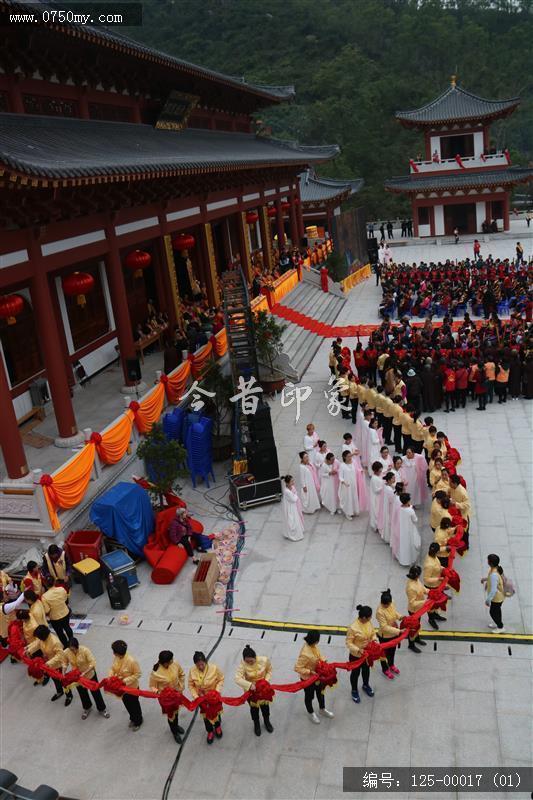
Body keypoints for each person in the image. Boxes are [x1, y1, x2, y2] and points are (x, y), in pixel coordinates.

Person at [63, 638, 110, 719]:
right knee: (82, 694)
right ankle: (87, 708)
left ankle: (102, 709)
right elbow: (64, 662)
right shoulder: (67, 652)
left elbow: (93, 663)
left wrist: (84, 673)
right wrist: (63, 673)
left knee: (96, 693)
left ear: (77, 646)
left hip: (89, 676)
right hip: (77, 677)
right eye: (70, 650)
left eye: (73, 649)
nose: (72, 651)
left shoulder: (85, 650)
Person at [294, 631, 334, 724]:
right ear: (314, 641)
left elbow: (319, 655)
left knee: (321, 693)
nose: (318, 642)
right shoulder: (305, 654)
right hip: (308, 679)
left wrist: (324, 661)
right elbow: (297, 668)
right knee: (309, 697)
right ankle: (311, 713)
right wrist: (309, 672)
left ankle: (322, 709)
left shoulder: (313, 646)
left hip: (317, 676)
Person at [235, 645, 274, 736]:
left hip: (264, 689)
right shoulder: (243, 665)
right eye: (247, 661)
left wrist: (265, 682)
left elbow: (269, 670)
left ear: (255, 657)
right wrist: (249, 685)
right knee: (254, 709)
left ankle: (267, 722)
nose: (249, 663)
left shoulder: (264, 660)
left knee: (265, 707)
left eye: (251, 661)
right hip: (251, 692)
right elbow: (237, 678)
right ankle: (256, 724)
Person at [26, 624, 70, 703]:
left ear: (43, 636)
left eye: (39, 638)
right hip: (49, 664)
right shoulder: (42, 639)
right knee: (55, 680)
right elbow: (37, 644)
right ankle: (59, 692)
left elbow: (60, 655)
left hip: (58, 664)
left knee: (63, 681)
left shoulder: (55, 642)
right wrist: (29, 649)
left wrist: (48, 663)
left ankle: (69, 695)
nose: (39, 639)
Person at [188, 651, 224, 743]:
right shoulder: (192, 671)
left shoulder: (214, 668)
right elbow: (191, 685)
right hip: (202, 698)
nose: (200, 667)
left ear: (205, 661)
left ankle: (218, 727)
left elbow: (221, 679)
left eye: (202, 664)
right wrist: (196, 696)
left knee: (216, 713)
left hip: (213, 697)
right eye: (198, 665)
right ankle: (209, 731)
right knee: (206, 716)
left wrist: (217, 691)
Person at [149, 650, 186, 742]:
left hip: (177, 695)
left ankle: (176, 726)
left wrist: (181, 686)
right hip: (166, 699)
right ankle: (174, 732)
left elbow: (181, 674)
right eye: (171, 660)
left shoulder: (174, 664)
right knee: (171, 716)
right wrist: (159, 693)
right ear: (165, 662)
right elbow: (152, 686)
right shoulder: (156, 672)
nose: (173, 661)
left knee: (176, 712)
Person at [346, 605, 378, 703]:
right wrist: (358, 650)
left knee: (366, 670)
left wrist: (374, 640)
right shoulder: (353, 628)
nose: (370, 619)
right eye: (369, 617)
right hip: (356, 656)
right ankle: (354, 690)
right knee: (355, 673)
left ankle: (365, 685)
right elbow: (348, 642)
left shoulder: (368, 623)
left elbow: (372, 633)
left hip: (367, 653)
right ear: (364, 617)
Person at [109, 640, 143, 731]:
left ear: (118, 653)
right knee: (127, 704)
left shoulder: (132, 661)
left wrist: (124, 681)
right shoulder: (117, 658)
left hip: (131, 688)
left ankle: (138, 721)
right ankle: (132, 718)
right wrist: (111, 676)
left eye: (114, 652)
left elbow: (138, 674)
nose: (113, 654)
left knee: (134, 705)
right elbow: (112, 668)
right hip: (121, 688)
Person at [376, 590, 402, 680]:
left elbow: (394, 612)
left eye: (387, 604)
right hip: (385, 636)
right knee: (384, 654)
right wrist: (398, 631)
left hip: (394, 633)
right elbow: (384, 627)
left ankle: (391, 664)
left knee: (392, 651)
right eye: (385, 605)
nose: (386, 606)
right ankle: (385, 669)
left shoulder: (391, 603)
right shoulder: (380, 612)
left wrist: (400, 617)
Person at [422, 543, 447, 630]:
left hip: (437, 585)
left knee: (436, 603)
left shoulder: (433, 557)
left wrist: (443, 568)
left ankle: (435, 615)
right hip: (431, 586)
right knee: (431, 605)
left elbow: (438, 565)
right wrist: (438, 579)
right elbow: (426, 579)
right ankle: (431, 619)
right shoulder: (429, 564)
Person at [41, 579, 72, 647]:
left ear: (45, 584)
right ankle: (72, 641)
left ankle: (66, 645)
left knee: (60, 632)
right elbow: (65, 599)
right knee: (67, 627)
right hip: (65, 612)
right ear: (54, 582)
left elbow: (46, 610)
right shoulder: (61, 589)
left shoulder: (44, 596)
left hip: (55, 618)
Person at [405, 566, 428, 653]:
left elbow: (422, 588)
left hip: (419, 609)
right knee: (413, 628)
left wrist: (429, 592)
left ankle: (417, 638)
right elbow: (412, 603)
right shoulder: (411, 588)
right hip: (414, 611)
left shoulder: (416, 580)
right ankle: (411, 644)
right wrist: (424, 602)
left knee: (417, 625)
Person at [481, 554, 505, 633]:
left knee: (493, 612)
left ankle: (500, 627)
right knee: (497, 611)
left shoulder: (494, 574)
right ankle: (498, 623)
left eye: (488, 560)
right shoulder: (495, 569)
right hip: (499, 596)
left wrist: (488, 600)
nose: (487, 561)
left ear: (490, 563)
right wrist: (485, 579)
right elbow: (492, 578)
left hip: (496, 597)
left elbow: (494, 590)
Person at [396, 493, 421, 566]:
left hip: (402, 528)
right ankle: (410, 559)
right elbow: (415, 520)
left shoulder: (400, 508)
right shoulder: (410, 511)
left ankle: (403, 559)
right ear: (408, 501)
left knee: (403, 543)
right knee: (410, 543)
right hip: (409, 529)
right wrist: (411, 508)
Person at [281, 475, 305, 541]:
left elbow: (294, 494)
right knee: (292, 519)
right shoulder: (287, 491)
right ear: (287, 483)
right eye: (291, 481)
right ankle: (294, 535)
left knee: (296, 518)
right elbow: (294, 499)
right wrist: (296, 494)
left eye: (293, 480)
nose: (293, 482)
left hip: (292, 505)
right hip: (290, 507)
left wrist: (295, 494)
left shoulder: (291, 487)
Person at [338, 451, 360, 520]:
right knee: (348, 499)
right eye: (348, 456)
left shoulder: (353, 463)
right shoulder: (342, 465)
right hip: (346, 486)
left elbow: (357, 471)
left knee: (353, 497)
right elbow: (340, 476)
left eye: (350, 456)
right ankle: (347, 513)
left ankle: (353, 510)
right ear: (344, 457)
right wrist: (344, 482)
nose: (350, 457)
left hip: (353, 484)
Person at [369, 461, 384, 533]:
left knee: (378, 511)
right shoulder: (374, 478)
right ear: (376, 470)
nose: (381, 472)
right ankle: (376, 525)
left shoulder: (378, 476)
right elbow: (376, 490)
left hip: (379, 497)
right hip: (376, 498)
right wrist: (383, 487)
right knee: (376, 511)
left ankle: (379, 524)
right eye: (380, 471)